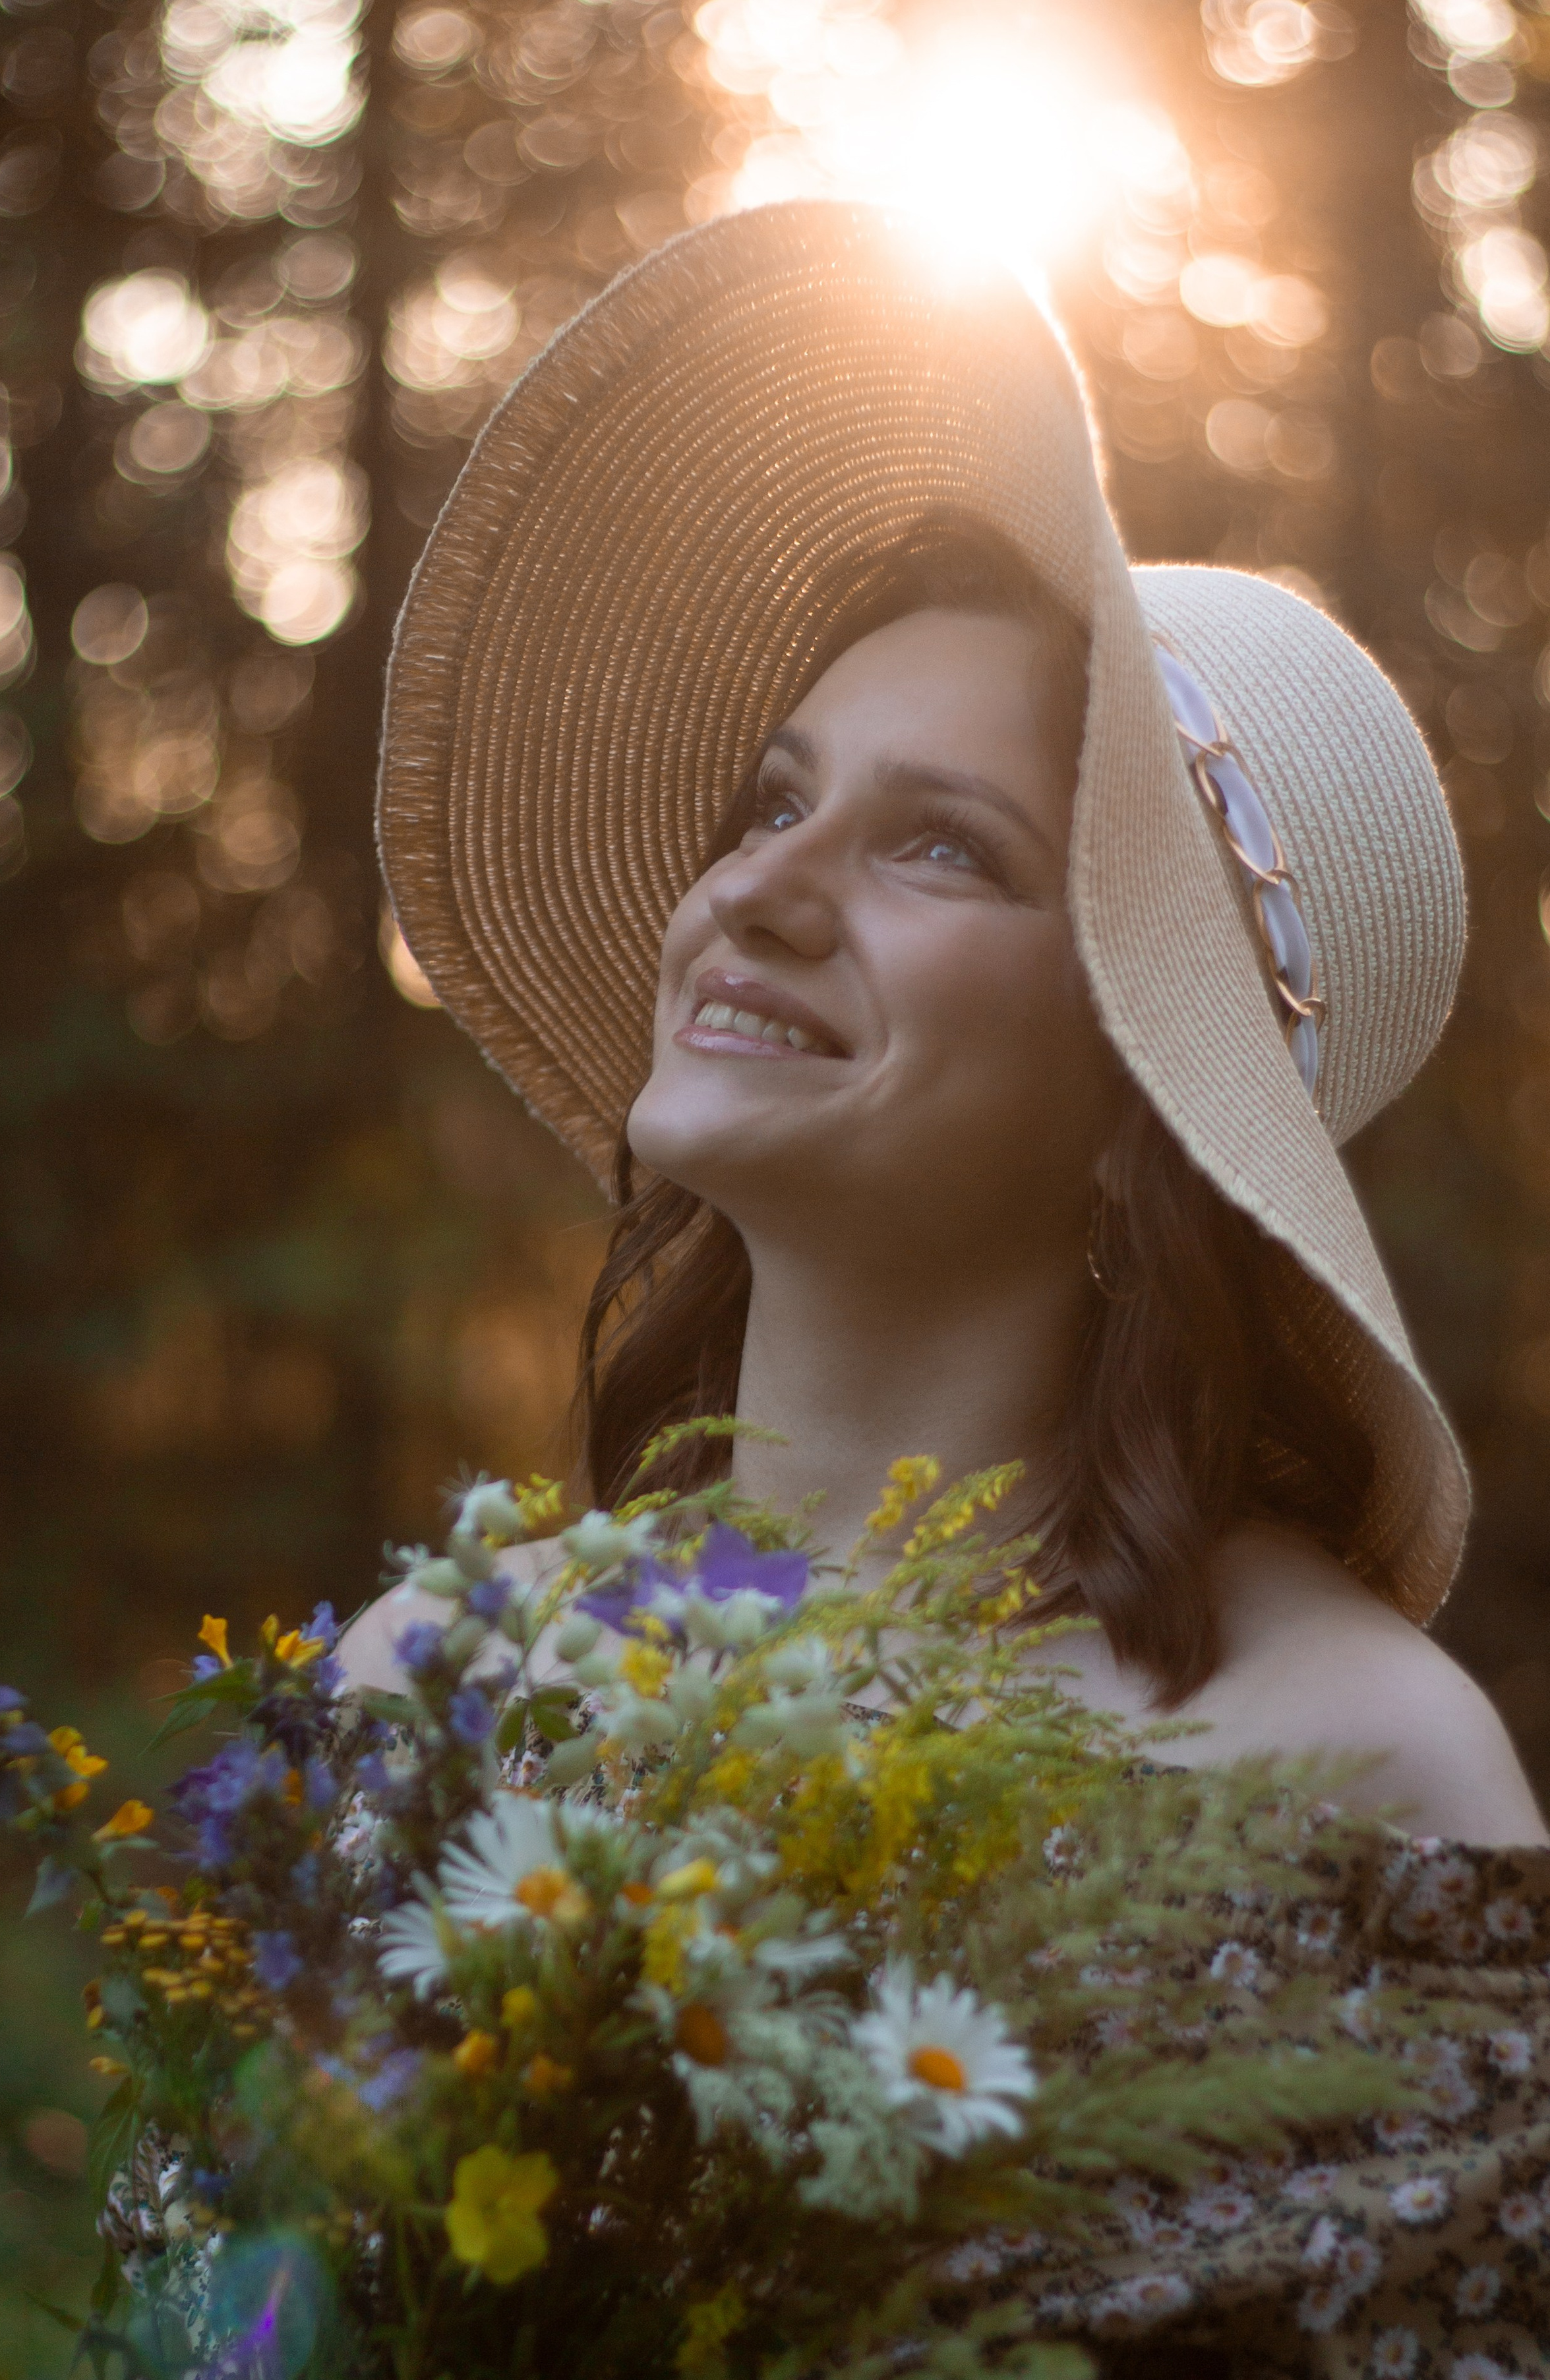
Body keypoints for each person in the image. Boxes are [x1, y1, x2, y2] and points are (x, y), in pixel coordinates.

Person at [349, 202, 1550, 2366]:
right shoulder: (434, 1683)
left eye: (938, 847)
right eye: (771, 800)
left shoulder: (1352, 1770)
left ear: (1136, 1103)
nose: (763, 892)